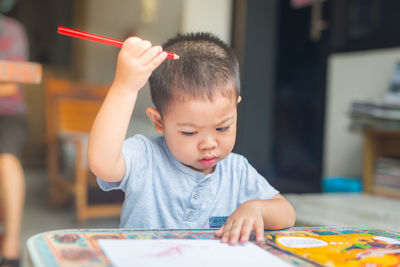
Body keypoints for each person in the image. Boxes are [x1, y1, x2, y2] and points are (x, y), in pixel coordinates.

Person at [88, 32, 296, 245]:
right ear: (159, 122)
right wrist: (125, 87)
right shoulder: (145, 156)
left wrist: (256, 208)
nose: (209, 144)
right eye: (190, 132)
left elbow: (287, 213)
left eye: (223, 128)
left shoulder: (237, 171)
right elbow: (102, 163)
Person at [0, 12, 29, 267]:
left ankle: (11, 244)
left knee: (7, 159)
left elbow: (14, 84)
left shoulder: (12, 29)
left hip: (8, 112)